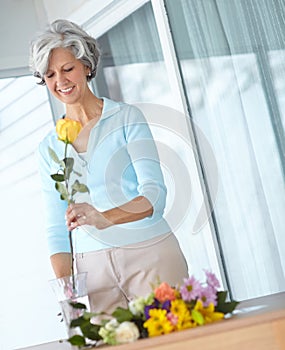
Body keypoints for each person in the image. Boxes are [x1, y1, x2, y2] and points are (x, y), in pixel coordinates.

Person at [30, 19, 188, 313]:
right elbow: (56, 228)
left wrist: (104, 217)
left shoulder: (126, 118)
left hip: (149, 252)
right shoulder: (49, 147)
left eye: (67, 69)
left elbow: (155, 196)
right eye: (50, 74)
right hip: (90, 271)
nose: (60, 81)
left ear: (86, 66)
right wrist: (68, 290)